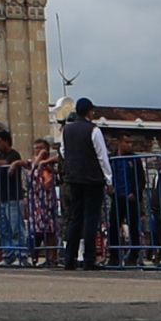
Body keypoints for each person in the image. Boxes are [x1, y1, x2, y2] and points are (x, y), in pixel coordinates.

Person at [62, 96, 113, 268]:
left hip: (74, 177)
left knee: (75, 218)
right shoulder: (93, 130)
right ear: (90, 112)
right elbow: (102, 156)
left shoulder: (67, 130)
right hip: (92, 178)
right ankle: (89, 258)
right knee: (91, 218)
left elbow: (63, 151)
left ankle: (69, 258)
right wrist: (108, 179)